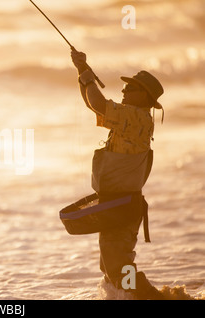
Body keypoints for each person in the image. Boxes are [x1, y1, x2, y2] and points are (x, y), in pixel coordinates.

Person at [70, 48, 165, 299]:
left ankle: (150, 297)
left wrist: (88, 77)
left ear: (144, 96)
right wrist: (82, 72)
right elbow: (96, 108)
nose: (123, 92)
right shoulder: (130, 118)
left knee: (119, 266)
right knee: (111, 265)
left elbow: (99, 103)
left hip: (122, 205)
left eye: (130, 89)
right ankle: (140, 294)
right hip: (115, 204)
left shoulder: (137, 117)